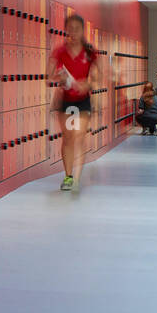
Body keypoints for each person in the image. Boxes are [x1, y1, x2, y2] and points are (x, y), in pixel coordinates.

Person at [48, 14, 101, 190]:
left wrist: (88, 84)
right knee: (68, 137)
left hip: (83, 99)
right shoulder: (60, 51)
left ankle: (77, 174)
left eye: (77, 28)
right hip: (66, 99)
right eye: (70, 29)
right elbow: (48, 77)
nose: (73, 32)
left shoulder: (90, 52)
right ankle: (68, 176)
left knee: (79, 135)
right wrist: (59, 77)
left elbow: (98, 77)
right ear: (66, 30)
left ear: (82, 30)